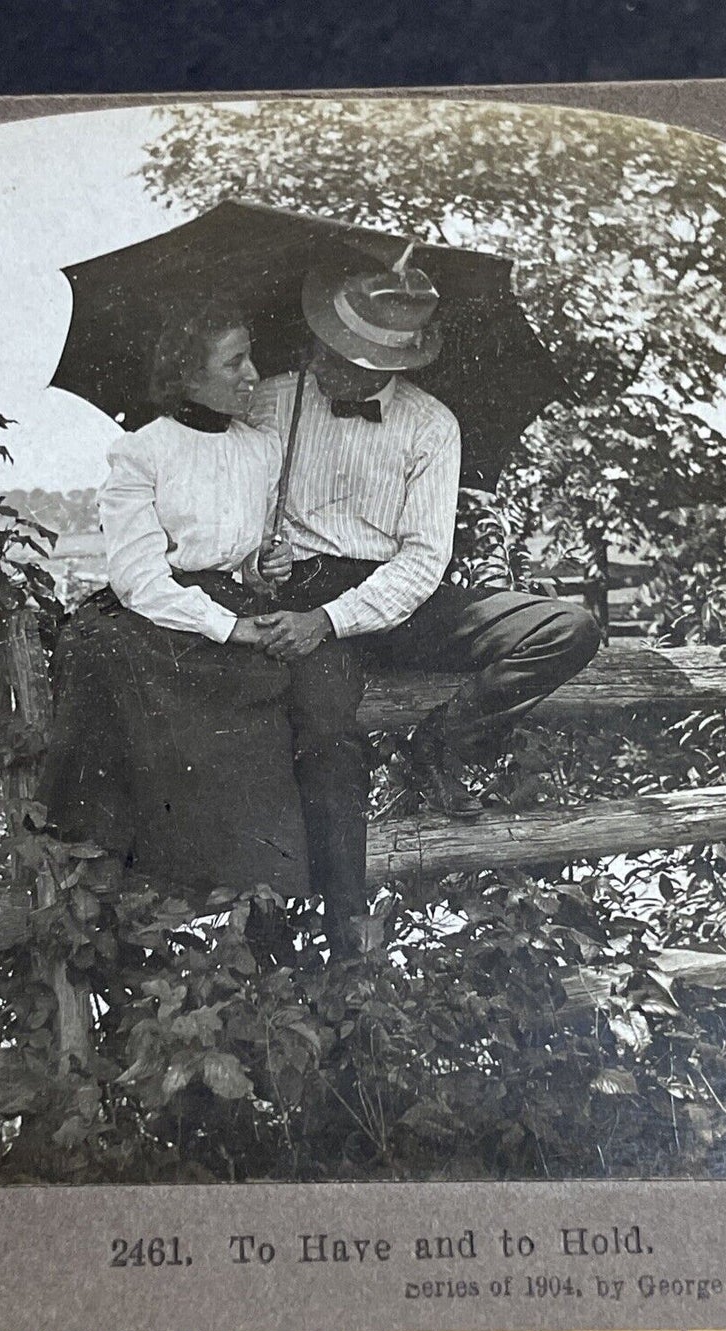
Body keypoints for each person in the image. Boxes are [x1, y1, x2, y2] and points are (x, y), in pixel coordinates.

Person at [246, 250, 602, 916]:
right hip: (302, 593)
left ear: (387, 366)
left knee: (568, 627)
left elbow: (420, 561)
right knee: (327, 738)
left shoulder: (432, 425)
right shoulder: (271, 402)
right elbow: (226, 515)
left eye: (343, 355)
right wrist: (255, 564)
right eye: (325, 343)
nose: (321, 360)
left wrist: (333, 619)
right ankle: (344, 933)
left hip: (398, 597)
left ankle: (444, 742)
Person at [36, 299, 372, 958]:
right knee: (177, 703)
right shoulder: (142, 451)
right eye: (234, 361)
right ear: (189, 374)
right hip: (160, 617)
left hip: (229, 607)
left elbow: (241, 561)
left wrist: (263, 568)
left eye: (252, 356)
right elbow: (138, 577)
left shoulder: (259, 447)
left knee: (302, 699)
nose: (252, 375)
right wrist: (229, 627)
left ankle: (268, 911)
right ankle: (145, 899)